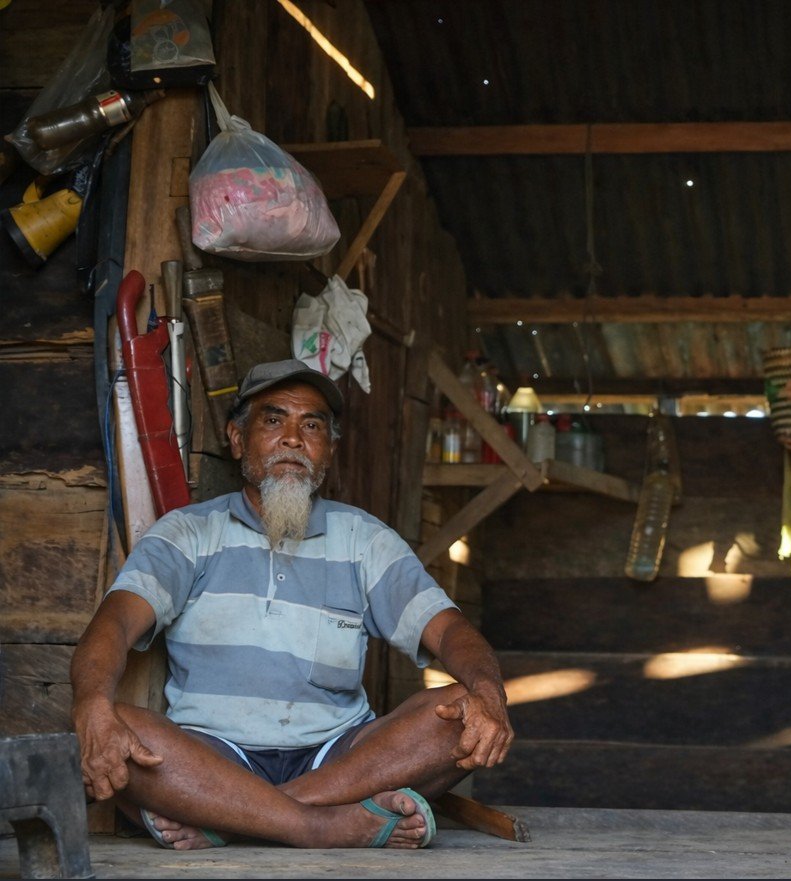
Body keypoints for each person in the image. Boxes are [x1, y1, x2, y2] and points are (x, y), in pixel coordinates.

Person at [70, 359, 514, 851]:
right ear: (238, 439)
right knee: (124, 727)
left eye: (312, 425)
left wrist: (490, 691)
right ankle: (320, 826)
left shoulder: (364, 540)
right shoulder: (188, 533)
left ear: (329, 450)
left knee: (455, 712)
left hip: (339, 759)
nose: (293, 438)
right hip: (212, 757)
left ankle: (237, 819)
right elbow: (112, 625)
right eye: (273, 419)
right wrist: (91, 706)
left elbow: (450, 632)